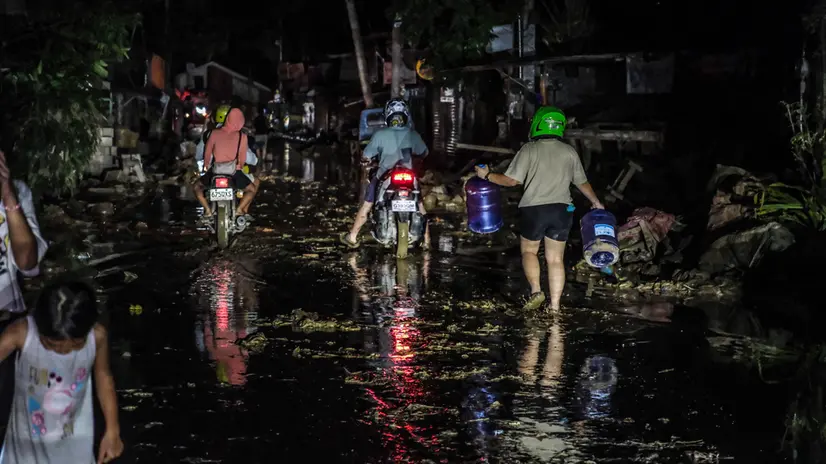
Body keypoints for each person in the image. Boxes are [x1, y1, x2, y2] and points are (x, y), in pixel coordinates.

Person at [474, 106, 604, 311]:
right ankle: (555, 306)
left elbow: (511, 181)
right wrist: (596, 202)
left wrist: (488, 176)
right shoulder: (569, 151)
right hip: (562, 211)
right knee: (555, 259)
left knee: (529, 251)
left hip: (534, 210)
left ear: (537, 124)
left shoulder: (529, 149)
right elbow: (581, 182)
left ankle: (536, 291)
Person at [0, 281, 123, 463]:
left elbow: (103, 377)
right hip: (26, 445)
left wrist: (113, 430)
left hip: (74, 442)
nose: (64, 350)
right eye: (52, 345)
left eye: (76, 345)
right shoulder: (21, 333)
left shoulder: (97, 336)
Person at [340, 98, 431, 249]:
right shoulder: (413, 134)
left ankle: (352, 236)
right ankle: (427, 241)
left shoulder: (380, 134)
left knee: (368, 204)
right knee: (420, 205)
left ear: (388, 116)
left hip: (385, 175)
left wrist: (364, 161)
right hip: (409, 176)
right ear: (405, 116)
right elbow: (424, 152)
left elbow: (367, 155)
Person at [199, 107, 256, 218]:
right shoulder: (242, 136)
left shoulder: (214, 133)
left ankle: (207, 210)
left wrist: (206, 166)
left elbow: (207, 152)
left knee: (196, 187)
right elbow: (242, 157)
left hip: (216, 171)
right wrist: (239, 166)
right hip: (233, 172)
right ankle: (239, 210)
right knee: (251, 189)